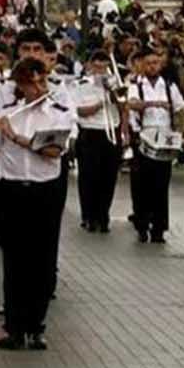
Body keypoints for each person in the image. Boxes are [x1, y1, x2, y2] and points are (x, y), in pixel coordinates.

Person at [0, 56, 77, 351]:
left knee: (42, 259)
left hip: (44, 191)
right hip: (12, 190)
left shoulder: (59, 113)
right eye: (31, 83)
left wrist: (15, 136)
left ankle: (36, 326)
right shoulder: (8, 112)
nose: (38, 88)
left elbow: (52, 150)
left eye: (42, 81)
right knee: (14, 260)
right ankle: (14, 327)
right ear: (20, 85)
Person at [121, 46, 184, 245]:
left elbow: (180, 108)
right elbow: (131, 104)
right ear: (142, 65)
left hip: (164, 136)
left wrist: (181, 132)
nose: (152, 66)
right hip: (144, 135)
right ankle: (142, 225)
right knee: (141, 185)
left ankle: (159, 227)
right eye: (148, 63)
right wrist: (153, 104)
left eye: (155, 63)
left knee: (161, 184)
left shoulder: (169, 85)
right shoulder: (135, 85)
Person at [62, 45, 123, 234]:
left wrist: (114, 95)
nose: (100, 71)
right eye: (96, 67)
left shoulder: (114, 83)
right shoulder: (79, 85)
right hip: (89, 132)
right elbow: (78, 110)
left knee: (109, 176)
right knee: (89, 177)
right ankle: (88, 215)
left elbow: (123, 106)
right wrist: (100, 103)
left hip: (110, 130)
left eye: (103, 67)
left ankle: (103, 215)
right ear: (89, 66)